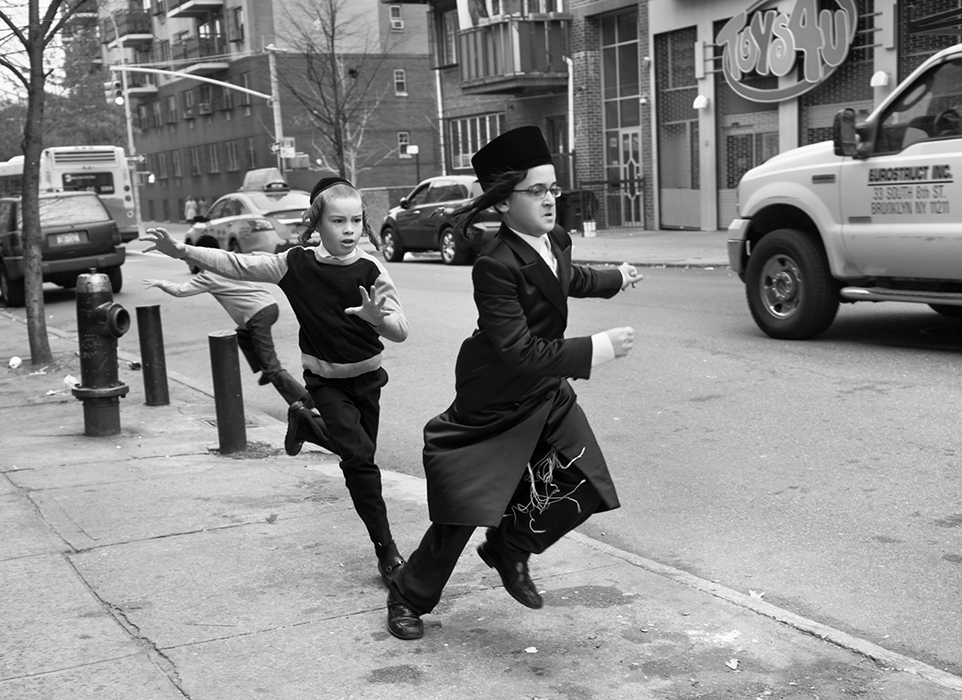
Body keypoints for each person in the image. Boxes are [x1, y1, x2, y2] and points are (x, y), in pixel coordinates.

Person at [384, 126, 643, 640]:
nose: (551, 201)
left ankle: (508, 546)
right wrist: (600, 348)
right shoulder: (494, 265)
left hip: (545, 388)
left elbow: (569, 278)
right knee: (466, 506)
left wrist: (616, 276)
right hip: (496, 394)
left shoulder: (555, 240)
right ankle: (408, 594)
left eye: (554, 189)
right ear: (503, 202)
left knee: (582, 480)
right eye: (537, 191)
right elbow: (520, 351)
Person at [140, 177, 409, 583]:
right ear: (317, 223)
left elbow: (401, 330)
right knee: (359, 461)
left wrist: (378, 319)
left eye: (356, 220)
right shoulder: (294, 264)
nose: (350, 230)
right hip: (325, 382)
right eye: (338, 221)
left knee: (360, 454)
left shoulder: (372, 269)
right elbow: (237, 264)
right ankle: (386, 551)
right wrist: (181, 250)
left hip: (369, 380)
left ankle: (307, 423)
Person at [141, 239, 324, 422]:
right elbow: (256, 256)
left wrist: (161, 283)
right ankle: (264, 368)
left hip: (257, 316)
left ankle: (304, 400)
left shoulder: (207, 277)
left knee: (272, 367)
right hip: (269, 307)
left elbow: (180, 291)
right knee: (242, 335)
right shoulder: (229, 265)